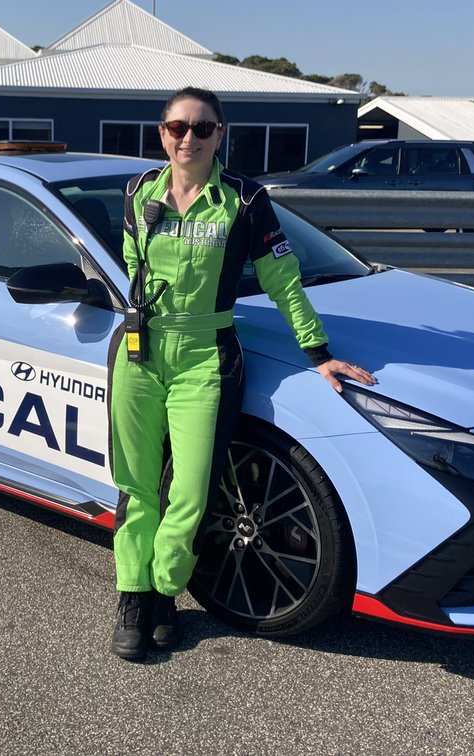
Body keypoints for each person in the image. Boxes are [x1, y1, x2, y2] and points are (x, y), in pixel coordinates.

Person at [108, 86, 375, 660]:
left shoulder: (246, 201)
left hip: (206, 355)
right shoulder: (137, 194)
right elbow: (132, 265)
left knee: (191, 488)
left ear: (220, 135)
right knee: (134, 485)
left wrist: (317, 350)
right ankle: (132, 596)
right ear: (162, 133)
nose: (189, 138)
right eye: (178, 127)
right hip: (139, 352)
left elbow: (283, 280)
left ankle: (164, 593)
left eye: (203, 128)